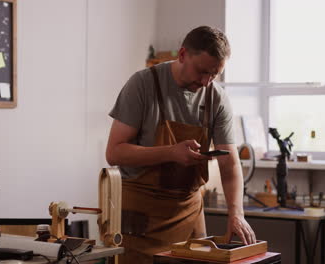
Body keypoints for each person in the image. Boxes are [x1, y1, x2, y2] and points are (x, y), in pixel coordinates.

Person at [106, 26, 256, 264]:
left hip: (188, 215)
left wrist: (236, 214)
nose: (206, 82)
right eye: (202, 72)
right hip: (141, 218)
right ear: (183, 54)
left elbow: (230, 164)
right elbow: (114, 152)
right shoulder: (143, 85)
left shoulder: (216, 97)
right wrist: (170, 153)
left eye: (214, 75)